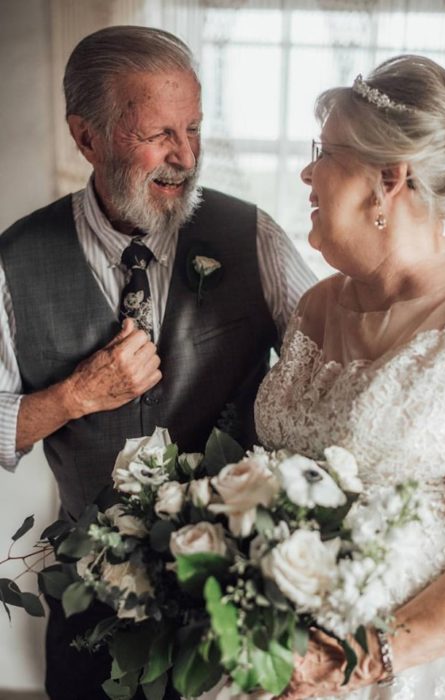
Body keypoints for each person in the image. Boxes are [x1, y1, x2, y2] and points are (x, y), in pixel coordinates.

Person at [0, 25, 315, 700]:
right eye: (158, 135)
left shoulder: (250, 233)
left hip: (235, 606)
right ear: (86, 137)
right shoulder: (16, 259)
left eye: (193, 128)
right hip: (89, 611)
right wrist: (73, 396)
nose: (185, 156)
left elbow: (328, 370)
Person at [255, 54, 445, 699]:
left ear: (389, 178)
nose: (306, 171)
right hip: (273, 655)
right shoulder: (316, 305)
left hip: (404, 668)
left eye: (323, 151)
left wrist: (356, 659)